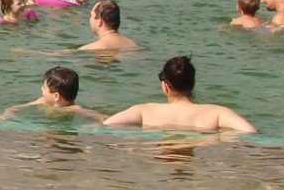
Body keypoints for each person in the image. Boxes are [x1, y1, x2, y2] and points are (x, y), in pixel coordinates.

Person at [105, 56, 257, 137]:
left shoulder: (144, 112)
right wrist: (217, 138)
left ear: (166, 85)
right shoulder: (217, 113)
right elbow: (250, 132)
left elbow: (107, 125)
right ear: (193, 83)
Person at [1, 65, 103, 122]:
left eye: (44, 88)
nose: (41, 89)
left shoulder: (74, 109)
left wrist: (95, 126)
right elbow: (19, 107)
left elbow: (102, 118)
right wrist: (8, 113)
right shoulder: (43, 101)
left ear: (56, 96)